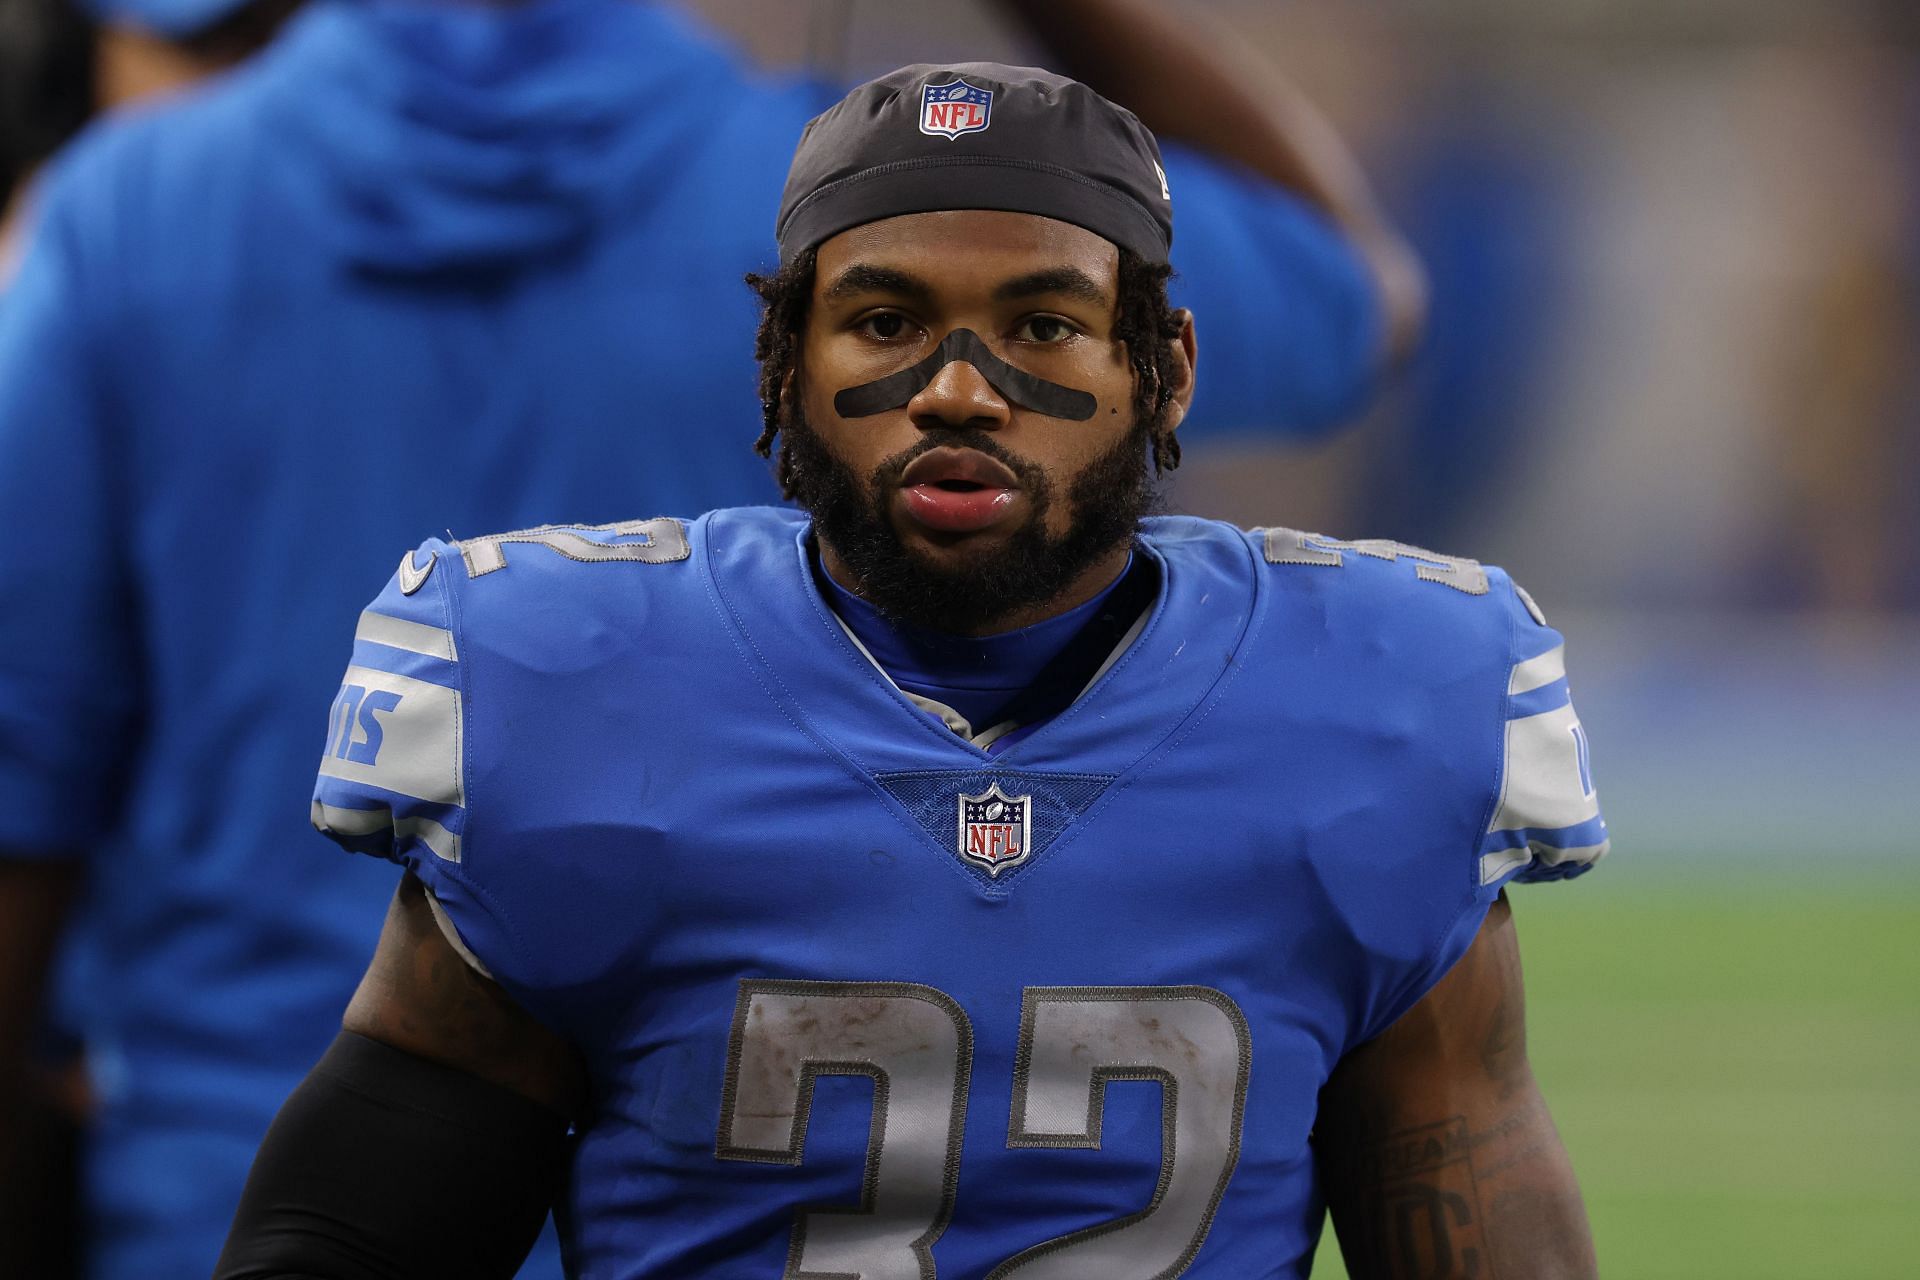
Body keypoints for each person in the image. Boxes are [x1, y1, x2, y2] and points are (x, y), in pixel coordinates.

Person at [0, 0, 1422, 1274]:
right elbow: (1350, 304)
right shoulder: (889, 220)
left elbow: (21, 785)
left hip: (227, 1186)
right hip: (743, 1196)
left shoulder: (127, 212)